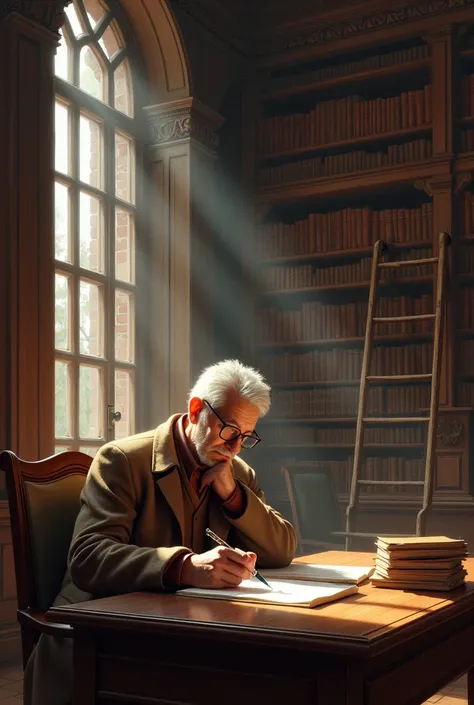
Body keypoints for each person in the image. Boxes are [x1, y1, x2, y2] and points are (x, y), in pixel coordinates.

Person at [24, 359, 296, 705]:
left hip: (182, 637)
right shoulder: (121, 460)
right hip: (97, 642)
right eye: (229, 430)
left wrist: (233, 496)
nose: (235, 447)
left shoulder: (236, 472)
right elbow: (88, 558)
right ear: (196, 409)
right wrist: (184, 567)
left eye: (246, 437)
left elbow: (283, 549)